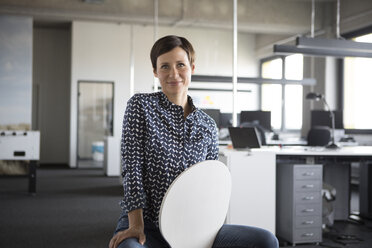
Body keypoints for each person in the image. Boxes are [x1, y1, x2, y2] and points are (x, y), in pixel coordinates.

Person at [109, 35, 279, 248]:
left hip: (192, 225)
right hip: (146, 223)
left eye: (181, 65)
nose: (174, 74)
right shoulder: (140, 107)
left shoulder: (207, 125)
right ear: (155, 71)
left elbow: (210, 183)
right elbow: (132, 168)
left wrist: (206, 227)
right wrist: (135, 224)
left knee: (265, 241)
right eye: (164, 67)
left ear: (192, 67)